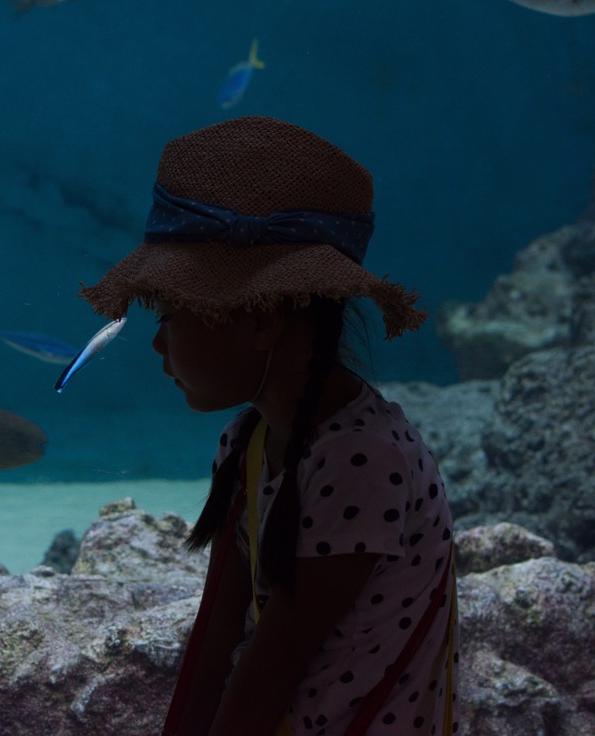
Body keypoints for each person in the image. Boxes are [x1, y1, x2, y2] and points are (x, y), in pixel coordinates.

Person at [78, 116, 457, 736]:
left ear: (262, 318)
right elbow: (218, 639)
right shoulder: (248, 441)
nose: (157, 344)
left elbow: (270, 669)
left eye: (170, 313)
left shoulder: (362, 459)